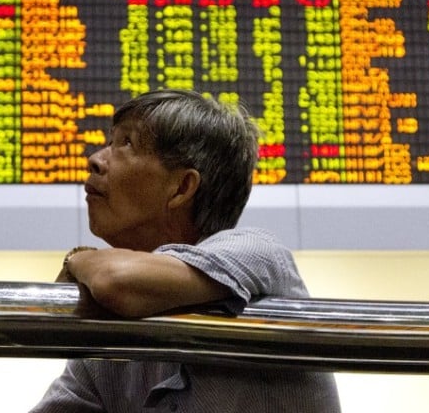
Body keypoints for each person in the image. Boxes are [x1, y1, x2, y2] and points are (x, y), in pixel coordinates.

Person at [30, 88, 341, 412]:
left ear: (181, 188)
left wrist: (78, 258)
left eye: (126, 143)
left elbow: (115, 280)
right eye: (111, 141)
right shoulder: (107, 355)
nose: (96, 159)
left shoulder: (259, 252)